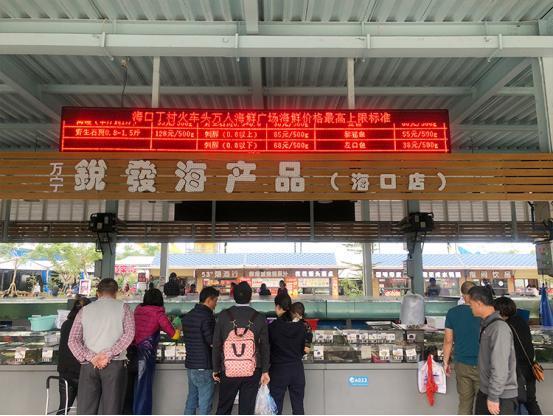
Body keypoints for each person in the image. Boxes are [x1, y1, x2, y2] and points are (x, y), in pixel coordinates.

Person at [68, 278, 135, 415]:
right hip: (115, 365)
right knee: (111, 409)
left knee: (86, 409)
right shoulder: (124, 308)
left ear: (97, 293)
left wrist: (92, 357)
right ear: (115, 293)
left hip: (89, 365)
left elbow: (73, 340)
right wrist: (109, 354)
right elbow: (129, 334)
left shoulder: (84, 311)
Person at [212, 281, 270, 415]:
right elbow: (265, 346)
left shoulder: (223, 316)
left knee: (223, 409)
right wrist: (265, 370)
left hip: (228, 369)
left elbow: (216, 344)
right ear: (250, 297)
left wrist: (215, 369)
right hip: (252, 370)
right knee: (246, 410)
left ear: (234, 296)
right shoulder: (259, 317)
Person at [468, 286, 517, 415]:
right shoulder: (487, 325)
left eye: (471, 304)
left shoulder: (499, 328)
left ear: (479, 303)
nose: (470, 307)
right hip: (487, 391)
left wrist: (494, 396)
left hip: (500, 396)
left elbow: (500, 366)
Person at [131, 288, 179, 415]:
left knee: (135, 387)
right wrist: (178, 328)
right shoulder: (158, 313)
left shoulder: (138, 310)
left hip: (133, 352)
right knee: (144, 388)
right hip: (146, 354)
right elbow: (174, 335)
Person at [494, 297, 542, 415]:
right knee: (530, 401)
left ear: (499, 311)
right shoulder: (521, 320)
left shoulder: (504, 326)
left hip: (516, 371)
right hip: (529, 367)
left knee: (510, 403)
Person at [442, 281, 481, 415]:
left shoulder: (452, 313)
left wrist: (445, 362)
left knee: (465, 402)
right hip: (483, 364)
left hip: (462, 364)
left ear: (462, 294)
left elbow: (448, 340)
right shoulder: (483, 312)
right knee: (483, 403)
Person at [182, 286, 220, 415]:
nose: (216, 304)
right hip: (204, 366)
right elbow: (212, 341)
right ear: (209, 300)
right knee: (205, 405)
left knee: (191, 401)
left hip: (191, 365)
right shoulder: (207, 317)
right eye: (215, 301)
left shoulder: (188, 316)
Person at [269, 294, 308, 414]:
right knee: (298, 407)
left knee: (275, 408)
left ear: (278, 307)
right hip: (297, 369)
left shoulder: (273, 327)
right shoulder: (301, 326)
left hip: (279, 370)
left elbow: (267, 348)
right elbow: (304, 348)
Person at [56, 296, 91, 415]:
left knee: (63, 408)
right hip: (82, 370)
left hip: (64, 371)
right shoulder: (86, 325)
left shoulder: (65, 324)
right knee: (86, 409)